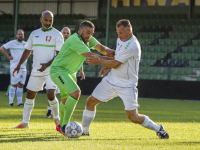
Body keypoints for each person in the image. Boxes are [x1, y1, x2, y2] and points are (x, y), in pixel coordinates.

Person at [82, 19, 169, 139]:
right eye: (117, 33)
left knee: (134, 117)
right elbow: (118, 58)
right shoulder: (121, 39)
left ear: (129, 30)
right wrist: (107, 67)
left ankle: (158, 128)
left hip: (127, 85)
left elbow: (116, 63)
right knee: (90, 102)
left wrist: (99, 61)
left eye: (121, 33)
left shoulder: (132, 45)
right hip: (111, 81)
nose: (119, 36)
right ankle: (84, 131)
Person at [49, 20, 115, 135]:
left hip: (69, 73)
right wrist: (112, 61)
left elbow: (100, 47)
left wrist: (111, 52)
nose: (89, 35)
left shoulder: (87, 40)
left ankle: (61, 126)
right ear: (80, 30)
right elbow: (91, 56)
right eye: (87, 32)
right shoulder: (75, 39)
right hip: (58, 70)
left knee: (65, 101)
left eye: (91, 33)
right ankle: (65, 126)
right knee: (75, 93)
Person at [12, 10, 64, 128]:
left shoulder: (57, 34)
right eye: (46, 20)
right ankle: (25, 123)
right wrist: (19, 64)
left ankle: (57, 120)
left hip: (52, 70)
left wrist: (46, 65)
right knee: (30, 94)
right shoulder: (34, 34)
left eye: (50, 20)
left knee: (51, 94)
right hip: (37, 70)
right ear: (41, 19)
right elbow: (27, 50)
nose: (48, 22)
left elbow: (59, 55)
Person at [45, 27, 72, 118]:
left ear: (70, 34)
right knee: (51, 92)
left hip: (67, 72)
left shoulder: (72, 45)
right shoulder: (56, 43)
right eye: (63, 32)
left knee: (67, 93)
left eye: (67, 33)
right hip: (55, 71)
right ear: (61, 34)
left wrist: (81, 70)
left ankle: (67, 113)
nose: (65, 34)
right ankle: (49, 112)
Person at [0, 29, 26, 106]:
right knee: (13, 84)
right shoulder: (12, 43)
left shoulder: (26, 44)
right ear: (16, 35)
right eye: (19, 34)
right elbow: (2, 48)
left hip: (23, 68)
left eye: (21, 34)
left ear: (23, 36)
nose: (20, 35)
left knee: (21, 85)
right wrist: (8, 56)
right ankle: (10, 102)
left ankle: (19, 102)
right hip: (14, 67)